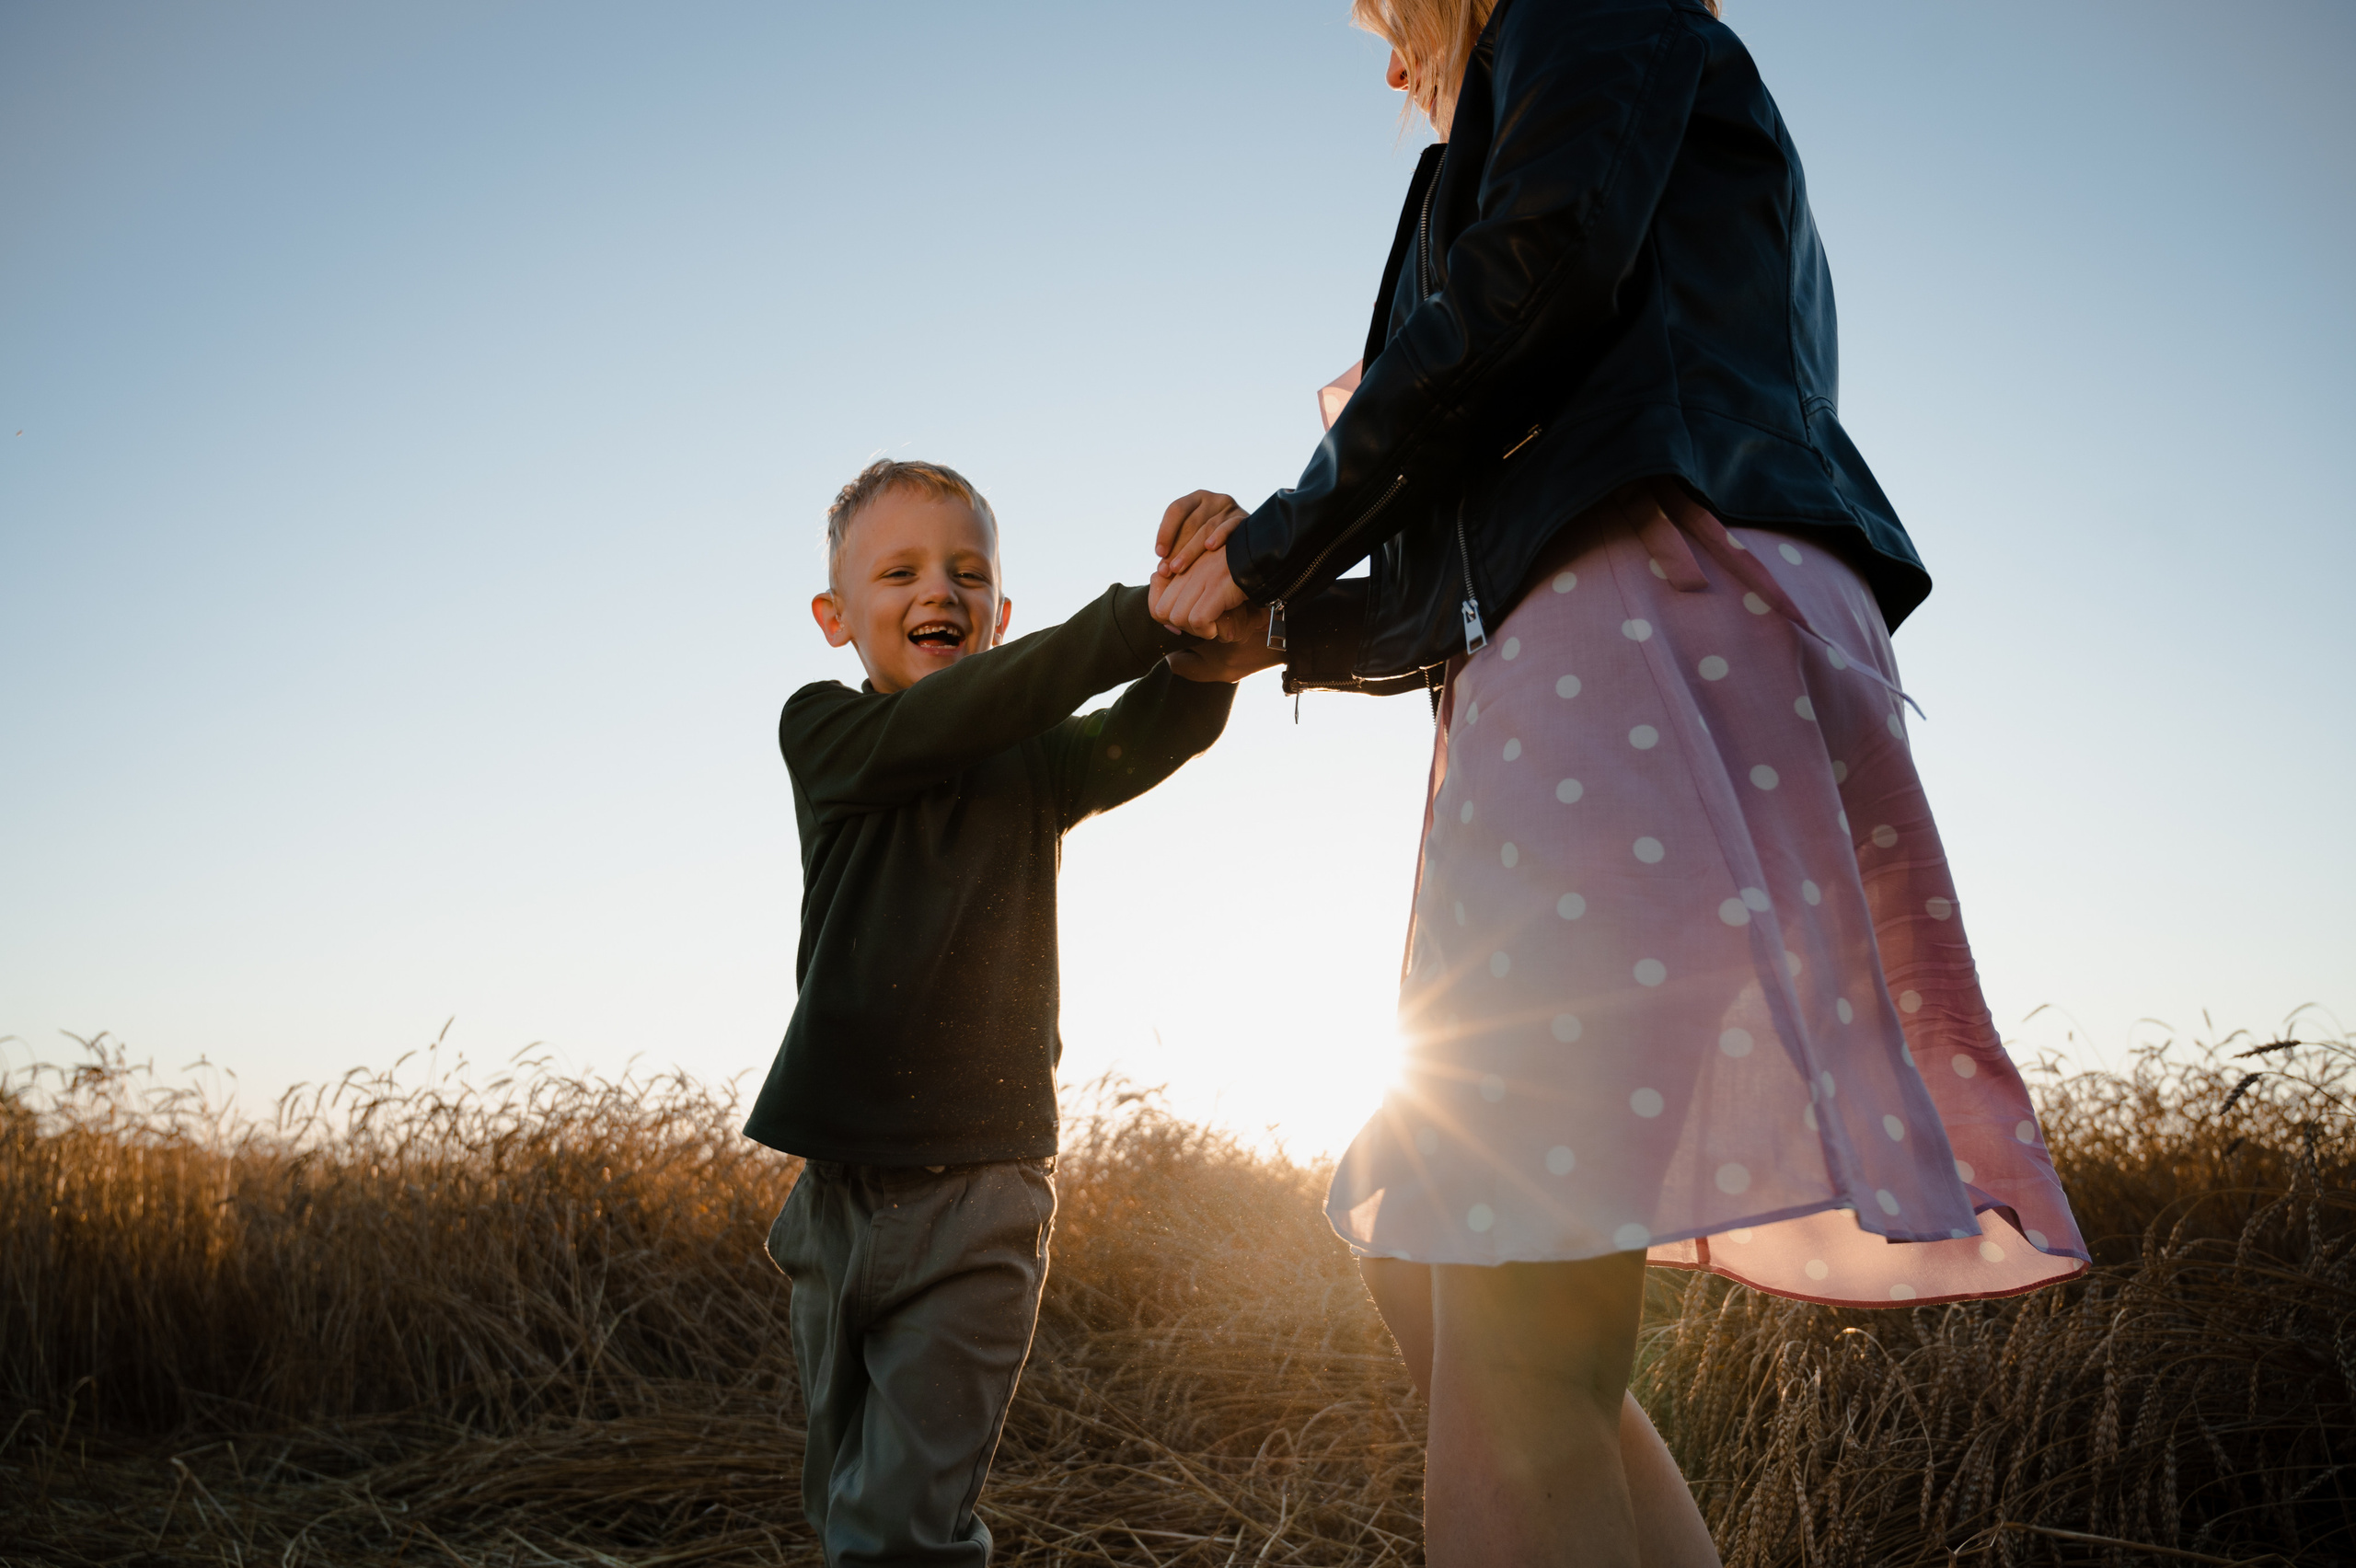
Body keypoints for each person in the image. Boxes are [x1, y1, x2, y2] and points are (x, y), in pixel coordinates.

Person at [1149, 2, 2089, 1565]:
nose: (1378, 32)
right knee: (1467, 1276)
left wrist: (1271, 545)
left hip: (1642, 614)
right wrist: (1269, 614)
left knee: (1509, 1308)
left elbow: (1541, 274)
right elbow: (1483, 525)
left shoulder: (1591, 3)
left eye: (1385, 1)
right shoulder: (1559, 90)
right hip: (1605, 618)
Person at [748, 458, 1273, 1567]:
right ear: (833, 617)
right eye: (899, 571)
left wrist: (1204, 637)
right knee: (843, 1499)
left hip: (980, 1196)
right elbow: (977, 707)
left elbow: (1147, 734)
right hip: (837, 1195)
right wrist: (1134, 621)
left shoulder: (1031, 761)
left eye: (966, 572)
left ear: (1000, 613)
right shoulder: (826, 737)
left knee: (901, 1529)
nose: (938, 590)